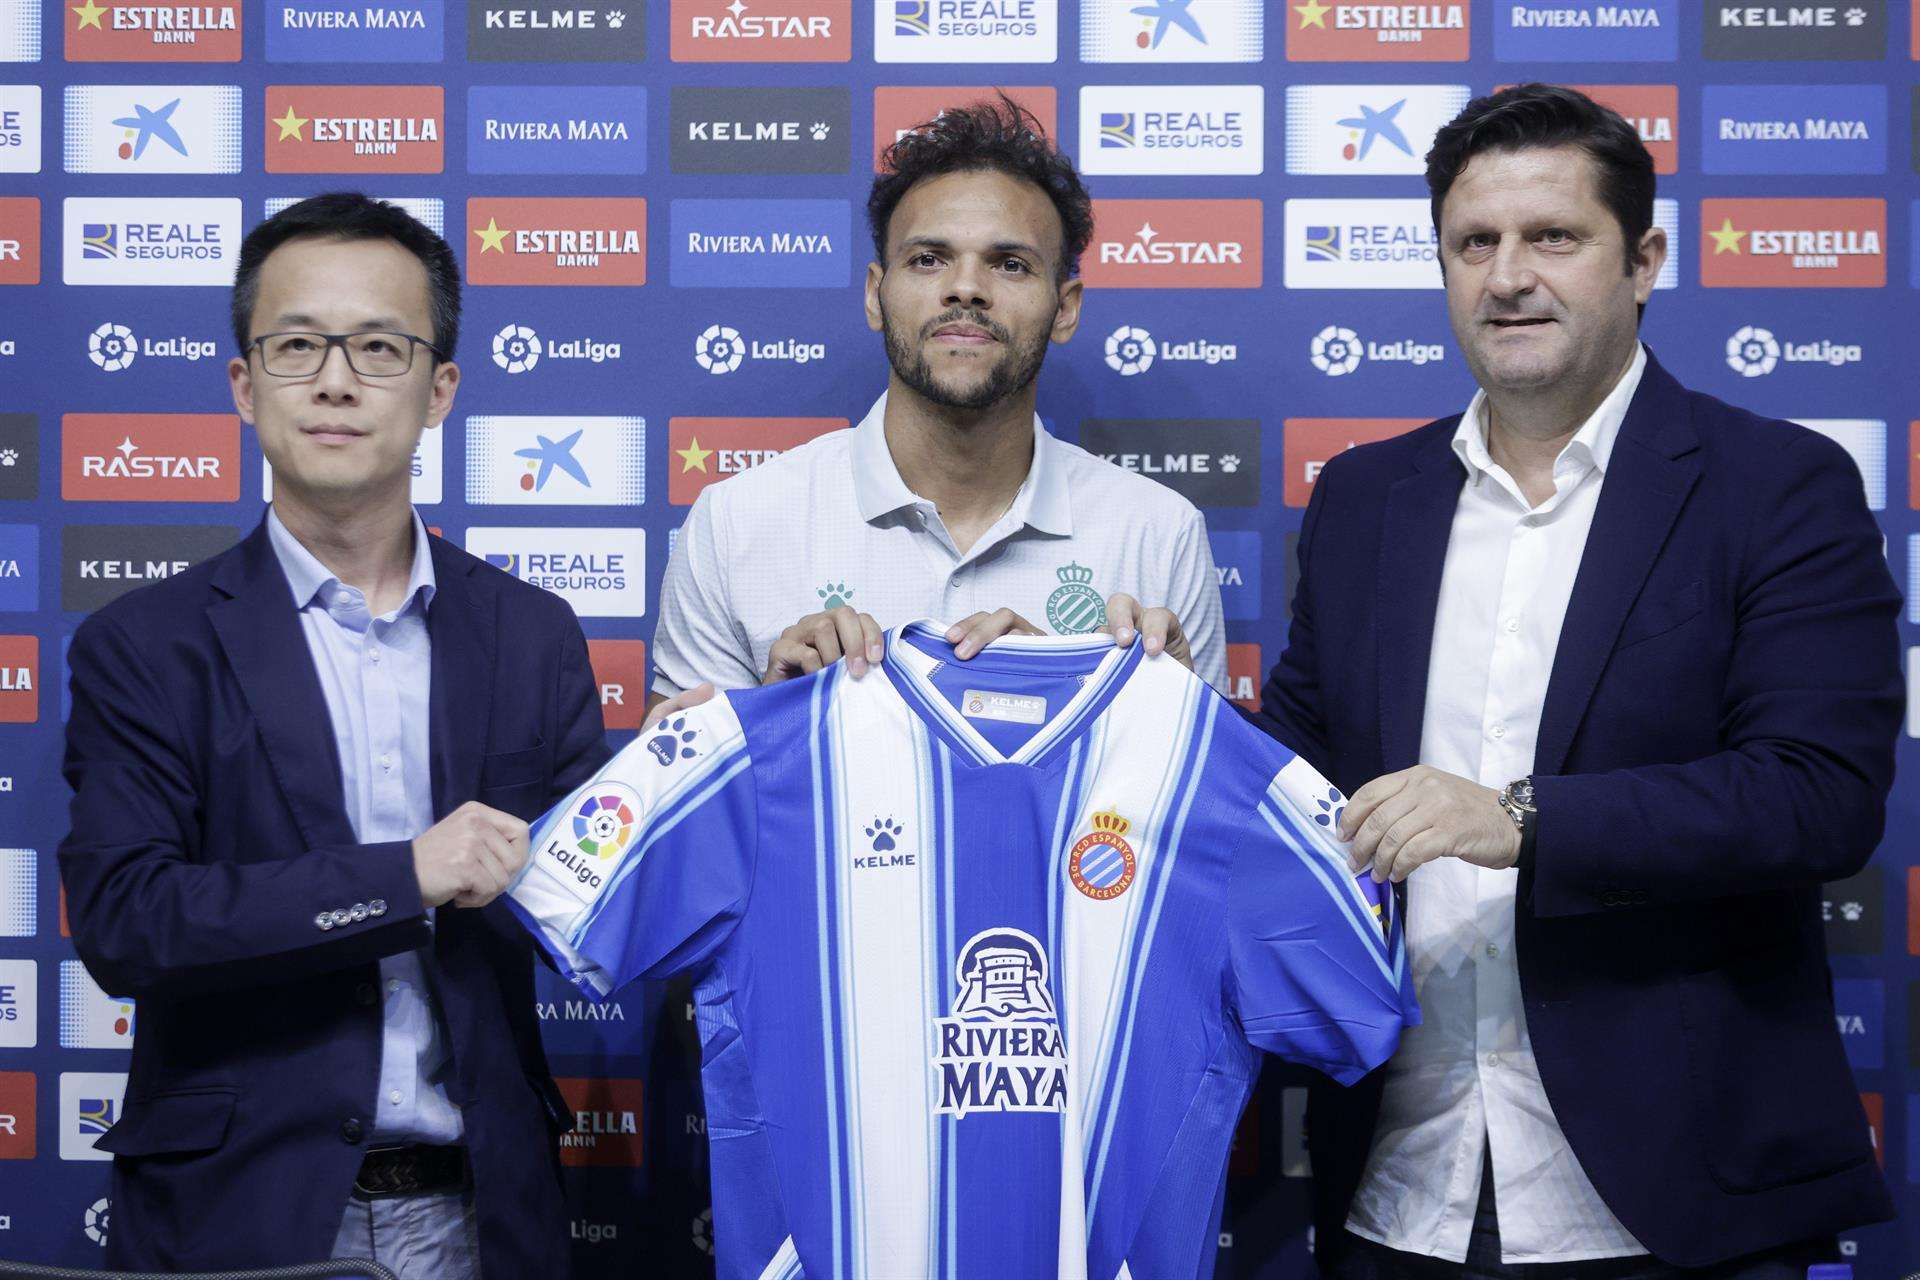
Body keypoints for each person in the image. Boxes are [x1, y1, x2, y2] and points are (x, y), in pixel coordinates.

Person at [1253, 85, 1898, 1275]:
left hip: (1676, 1197)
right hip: (1395, 1187)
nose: (1508, 276)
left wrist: (1523, 817)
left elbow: (1819, 793)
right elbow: (1286, 776)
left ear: (1643, 261)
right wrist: (1112, 687)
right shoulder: (1363, 499)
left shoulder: (1777, 485)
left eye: (1553, 236)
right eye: (1474, 243)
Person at [58, 193, 608, 1276]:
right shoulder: (145, 645)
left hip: (482, 1213)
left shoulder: (533, 634)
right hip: (241, 1217)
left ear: (440, 389)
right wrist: (404, 876)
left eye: (380, 347)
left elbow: (594, 894)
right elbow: (127, 922)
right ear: (244, 383)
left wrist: (706, 761)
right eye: (298, 345)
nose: (337, 380)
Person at [648, 96, 1223, 726]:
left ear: (1065, 309)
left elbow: (1201, 784)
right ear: (876, 295)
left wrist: (1093, 709)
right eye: (928, 259)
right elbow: (670, 779)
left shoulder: (1158, 532)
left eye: (1010, 264)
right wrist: (771, 715)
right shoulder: (737, 524)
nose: (966, 288)